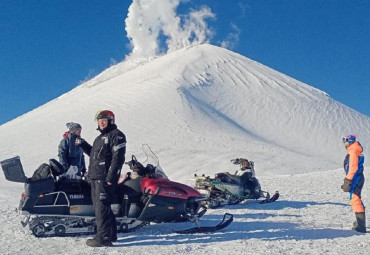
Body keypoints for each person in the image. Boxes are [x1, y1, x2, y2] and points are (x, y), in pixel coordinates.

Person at [77, 110, 126, 247]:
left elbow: (118, 158)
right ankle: (111, 234)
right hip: (95, 177)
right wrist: (82, 144)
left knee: (101, 208)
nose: (101, 123)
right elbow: (94, 154)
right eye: (99, 121)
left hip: (104, 178)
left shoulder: (117, 136)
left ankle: (103, 238)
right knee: (103, 208)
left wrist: (111, 177)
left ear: (111, 121)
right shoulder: (100, 138)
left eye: (104, 120)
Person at [341, 134, 366, 233]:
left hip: (356, 178)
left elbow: (353, 167)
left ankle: (361, 226)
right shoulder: (353, 150)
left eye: (345, 140)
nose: (344, 143)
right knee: (355, 199)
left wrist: (348, 181)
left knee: (355, 199)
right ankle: (359, 222)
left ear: (350, 141)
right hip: (355, 178)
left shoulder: (354, 151)